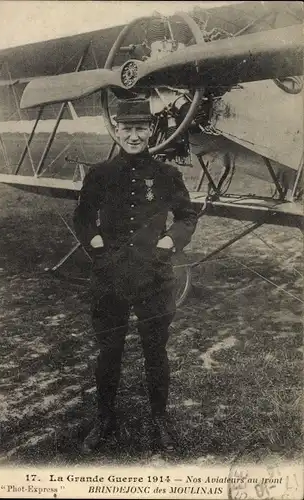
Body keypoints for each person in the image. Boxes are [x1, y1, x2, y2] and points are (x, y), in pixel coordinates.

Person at [73, 98, 198, 453]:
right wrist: (97, 247)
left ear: (150, 130)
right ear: (116, 129)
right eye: (126, 128)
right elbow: (82, 217)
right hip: (110, 277)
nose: (133, 135)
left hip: (154, 278)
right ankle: (104, 418)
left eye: (140, 128)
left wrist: (168, 245)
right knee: (108, 351)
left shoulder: (167, 175)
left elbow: (187, 217)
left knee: (155, 350)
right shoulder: (100, 174)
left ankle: (160, 419)